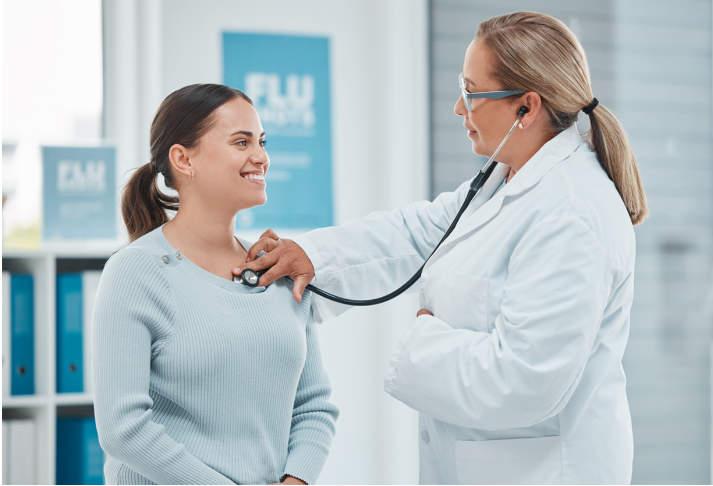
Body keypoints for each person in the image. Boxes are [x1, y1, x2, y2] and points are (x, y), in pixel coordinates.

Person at [236, 12, 648, 484]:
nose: (459, 107)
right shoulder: (504, 179)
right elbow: (417, 233)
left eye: (472, 92)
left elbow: (526, 381)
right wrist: (311, 255)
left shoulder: (572, 215)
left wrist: (424, 341)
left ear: (526, 108)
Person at [92, 84, 339, 485]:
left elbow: (314, 407)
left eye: (261, 141)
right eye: (241, 142)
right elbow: (124, 429)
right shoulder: (135, 272)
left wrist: (295, 480)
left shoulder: (276, 266)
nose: (261, 156)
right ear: (183, 159)